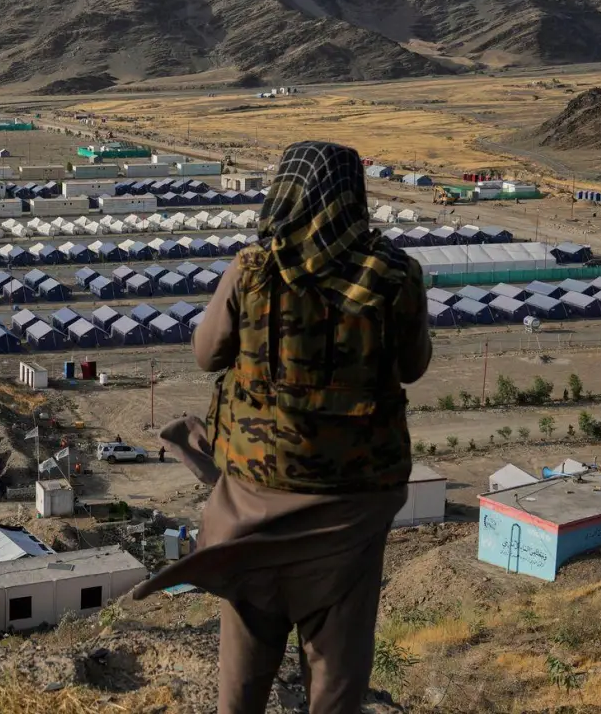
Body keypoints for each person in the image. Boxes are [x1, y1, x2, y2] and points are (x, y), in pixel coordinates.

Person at [133, 141, 432, 714]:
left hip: (255, 496)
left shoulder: (253, 268)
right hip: (355, 502)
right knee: (338, 669)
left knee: (244, 659)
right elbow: (412, 368)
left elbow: (207, 355)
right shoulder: (395, 274)